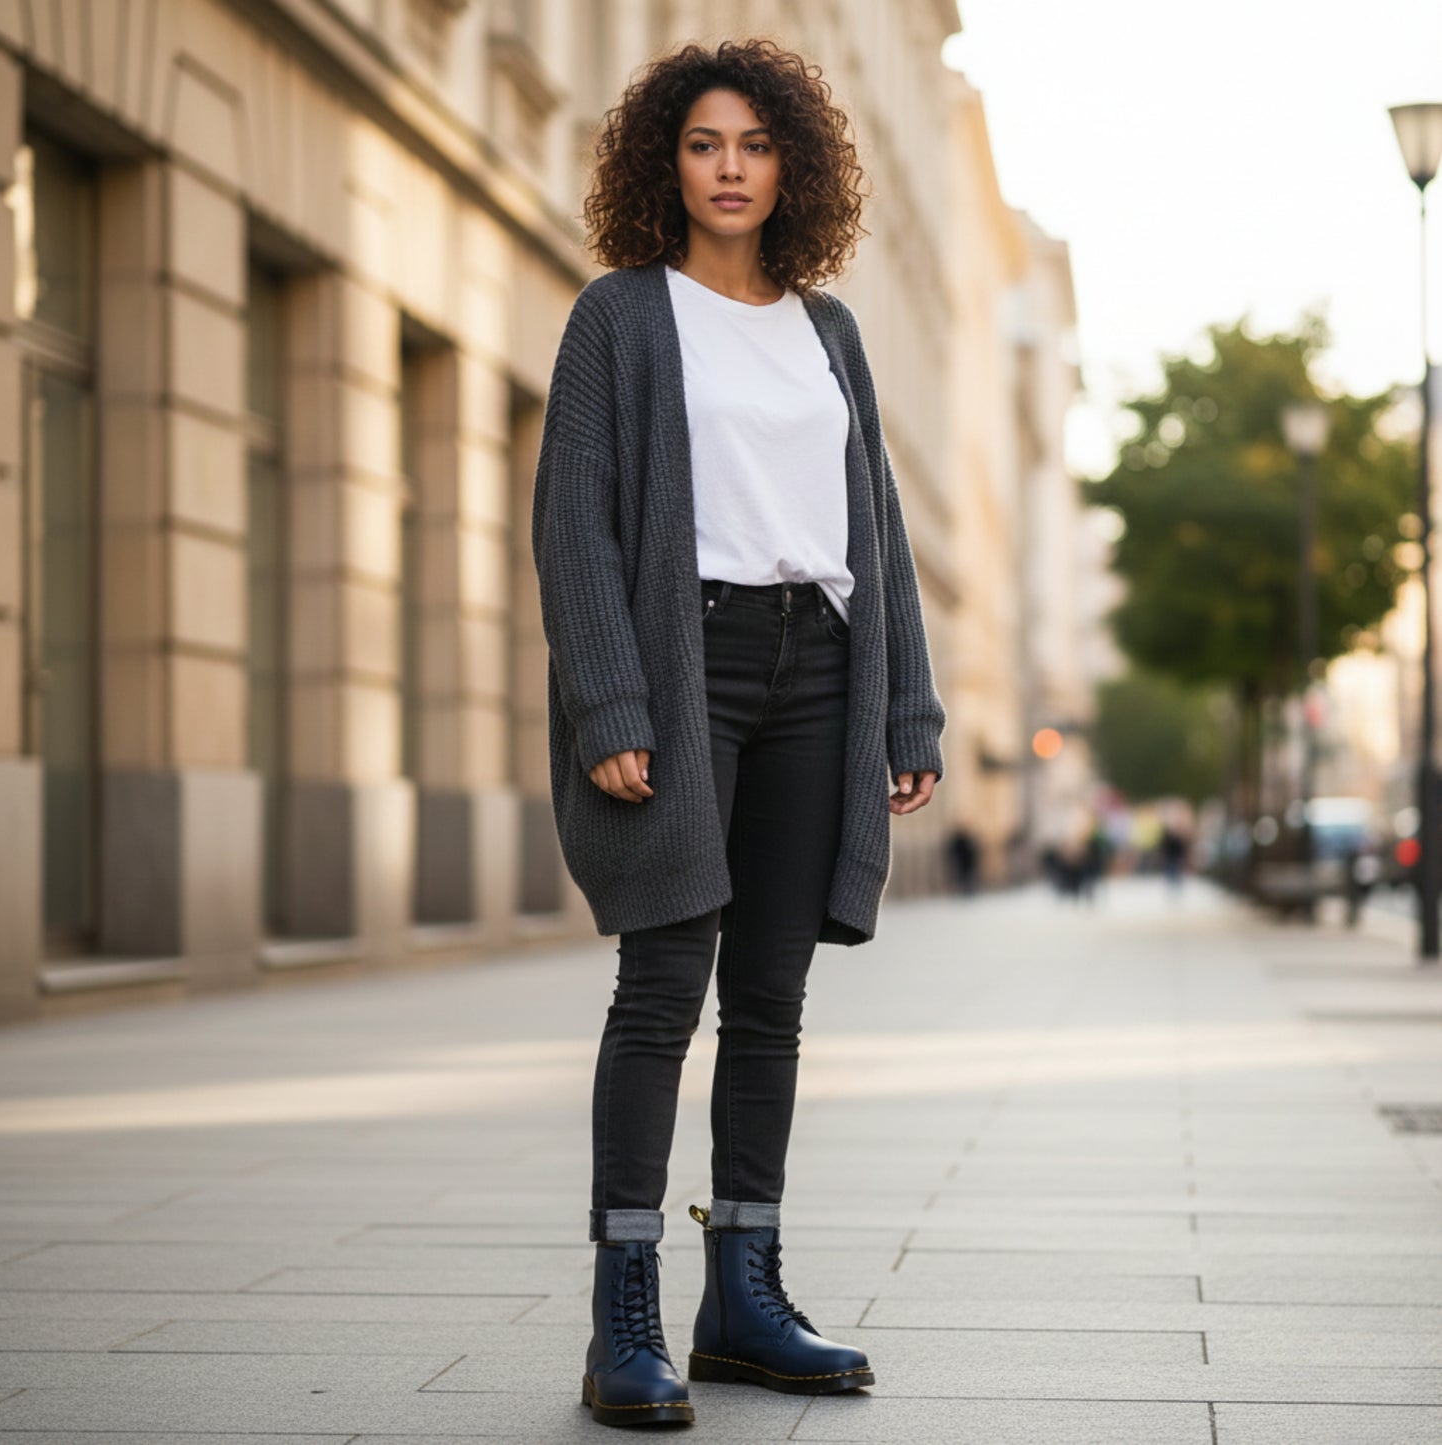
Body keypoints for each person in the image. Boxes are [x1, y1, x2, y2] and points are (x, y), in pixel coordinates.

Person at [529, 38, 946, 1429]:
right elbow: (574, 525)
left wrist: (905, 703)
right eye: (704, 144)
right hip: (682, 657)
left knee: (770, 1000)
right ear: (667, 160)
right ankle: (625, 1314)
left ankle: (746, 1298)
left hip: (815, 665)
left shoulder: (827, 329)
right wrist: (610, 700)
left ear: (792, 169)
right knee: (663, 988)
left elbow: (872, 527)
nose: (727, 168)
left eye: (753, 146)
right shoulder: (619, 316)